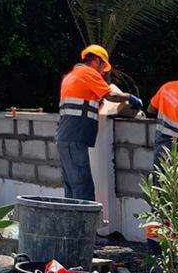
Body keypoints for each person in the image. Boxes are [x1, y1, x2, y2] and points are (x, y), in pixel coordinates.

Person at [57, 44, 136, 202]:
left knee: (72, 190)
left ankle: (72, 218)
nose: (103, 72)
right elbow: (111, 96)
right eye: (103, 67)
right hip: (75, 139)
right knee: (83, 189)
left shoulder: (71, 76)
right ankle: (85, 219)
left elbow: (84, 103)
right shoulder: (88, 73)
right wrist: (130, 98)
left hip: (66, 138)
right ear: (96, 61)